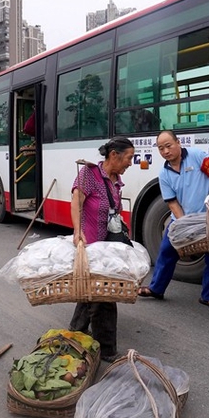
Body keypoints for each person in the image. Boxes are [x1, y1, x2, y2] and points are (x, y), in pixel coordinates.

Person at [138, 130, 209, 310]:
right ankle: (156, 288)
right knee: (166, 251)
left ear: (178, 143)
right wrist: (185, 225)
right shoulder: (164, 174)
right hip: (182, 219)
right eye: (161, 148)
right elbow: (172, 203)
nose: (165, 151)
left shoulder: (198, 156)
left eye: (168, 146)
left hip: (208, 216)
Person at [69, 137, 136, 362]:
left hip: (107, 248)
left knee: (91, 289)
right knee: (104, 296)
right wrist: (77, 232)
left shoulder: (116, 180)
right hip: (91, 245)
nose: (130, 163)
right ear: (114, 155)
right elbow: (76, 201)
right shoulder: (90, 174)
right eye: (128, 158)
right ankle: (107, 350)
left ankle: (76, 331)